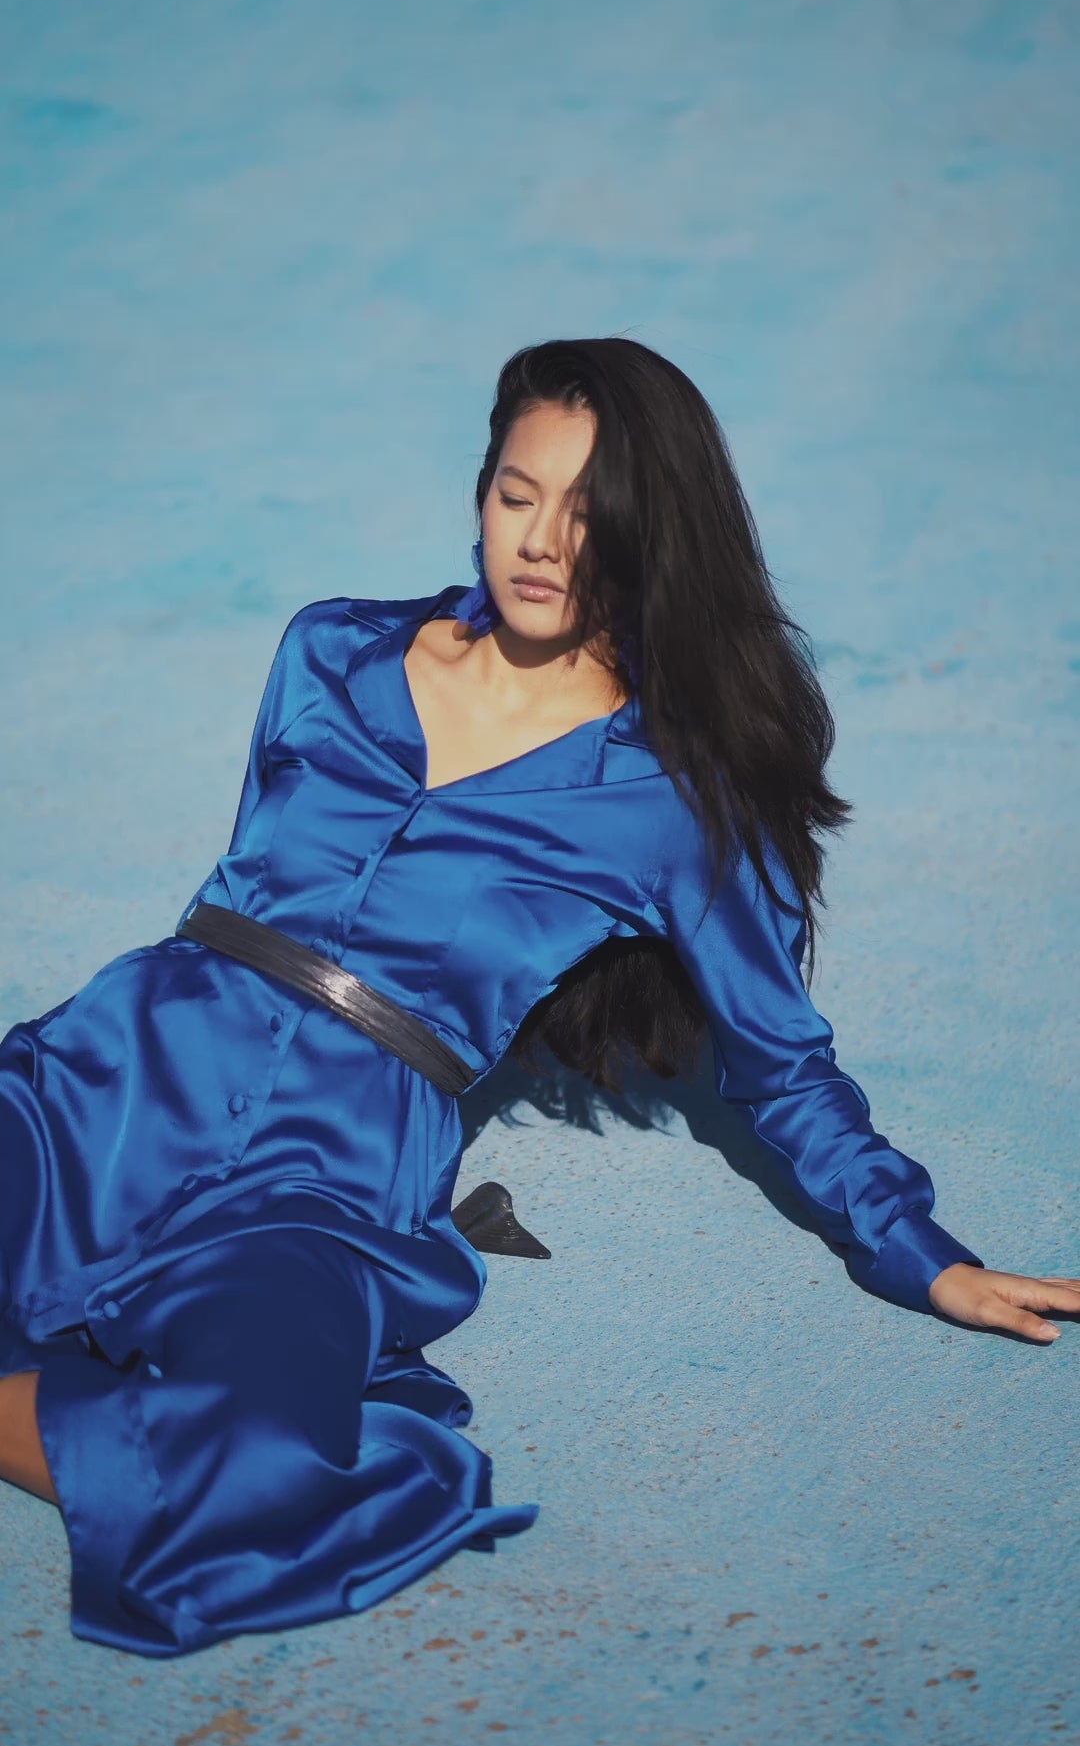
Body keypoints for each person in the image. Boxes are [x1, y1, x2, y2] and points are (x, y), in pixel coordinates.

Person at [1, 336, 1075, 1659]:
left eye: (587, 515)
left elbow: (784, 1069)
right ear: (480, 489)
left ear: (646, 540)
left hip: (324, 1172)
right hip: (111, 1078)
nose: (543, 542)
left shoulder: (672, 802)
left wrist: (926, 1257)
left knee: (271, 1462)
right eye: (518, 494)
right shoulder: (327, 649)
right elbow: (238, 897)